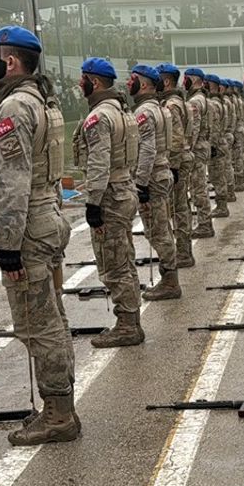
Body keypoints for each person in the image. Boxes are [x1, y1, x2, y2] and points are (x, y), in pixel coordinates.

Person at [0, 25, 79, 446]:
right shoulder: (44, 101)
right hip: (48, 217)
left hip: (29, 227)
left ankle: (59, 415)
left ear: (11, 61)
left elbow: (12, 184)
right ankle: (59, 407)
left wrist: (7, 247)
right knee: (52, 317)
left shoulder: (14, 109)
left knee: (39, 325)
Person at [75, 57, 145, 349]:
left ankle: (127, 325)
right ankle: (131, 320)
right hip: (125, 189)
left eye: (84, 79)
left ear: (96, 82)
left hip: (110, 196)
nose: (81, 84)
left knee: (114, 263)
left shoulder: (98, 117)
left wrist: (93, 204)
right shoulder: (123, 112)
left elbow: (99, 162)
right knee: (125, 259)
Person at [129, 64, 182, 301]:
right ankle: (169, 277)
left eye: (133, 80)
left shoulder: (144, 113)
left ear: (143, 84)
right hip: (162, 171)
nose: (128, 84)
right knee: (162, 228)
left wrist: (140, 185)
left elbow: (147, 149)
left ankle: (170, 281)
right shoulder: (159, 108)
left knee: (158, 231)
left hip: (152, 177)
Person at [157, 63, 195, 268]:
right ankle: (184, 251)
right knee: (181, 207)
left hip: (177, 161)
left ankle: (183, 253)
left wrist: (173, 166)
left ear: (166, 81)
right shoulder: (180, 101)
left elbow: (177, 138)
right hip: (184, 157)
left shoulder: (171, 105)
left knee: (177, 209)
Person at [185, 68, 216, 239]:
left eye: (186, 78)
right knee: (200, 185)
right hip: (204, 144)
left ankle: (205, 224)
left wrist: (187, 149)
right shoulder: (205, 99)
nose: (184, 82)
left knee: (198, 188)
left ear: (193, 80)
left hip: (197, 147)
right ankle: (205, 222)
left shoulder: (195, 101)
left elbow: (193, 129)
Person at [204, 73, 232, 217]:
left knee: (217, 177)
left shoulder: (213, 104)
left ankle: (222, 206)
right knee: (220, 175)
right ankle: (223, 204)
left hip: (216, 144)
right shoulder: (219, 102)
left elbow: (214, 126)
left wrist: (212, 145)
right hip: (221, 141)